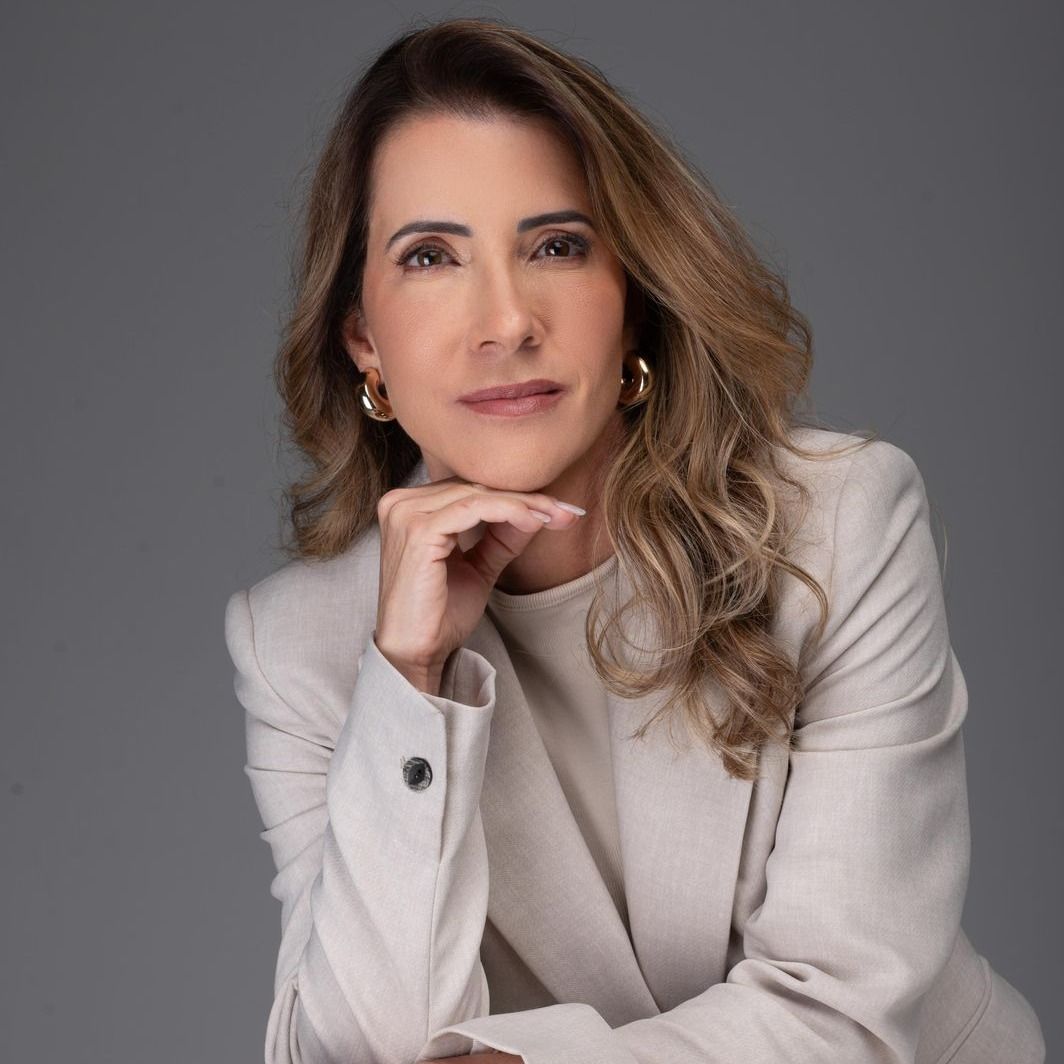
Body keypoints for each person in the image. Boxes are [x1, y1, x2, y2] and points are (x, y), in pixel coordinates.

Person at [223, 16, 1044, 1064]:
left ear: (633, 302)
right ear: (363, 342)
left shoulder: (837, 524)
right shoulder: (300, 643)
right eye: (430, 257)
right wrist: (408, 684)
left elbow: (844, 1007)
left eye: (555, 246)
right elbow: (353, 1047)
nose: (506, 320)